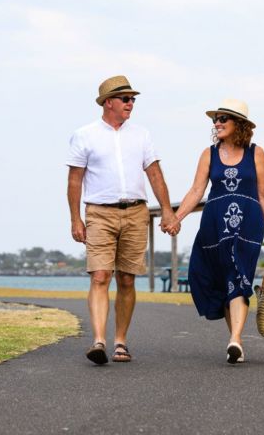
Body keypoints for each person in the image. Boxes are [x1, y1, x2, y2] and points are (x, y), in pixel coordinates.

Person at [67, 75, 178, 365]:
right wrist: (75, 219)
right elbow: (74, 180)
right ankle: (99, 340)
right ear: (108, 102)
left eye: (133, 99)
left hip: (136, 212)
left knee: (127, 279)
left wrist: (167, 210)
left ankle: (120, 342)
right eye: (126, 99)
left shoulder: (141, 134)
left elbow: (154, 173)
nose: (131, 104)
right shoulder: (84, 135)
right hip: (99, 212)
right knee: (101, 275)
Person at [163, 99, 264, 364]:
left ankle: (235, 340)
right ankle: (234, 341)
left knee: (238, 274)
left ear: (239, 123)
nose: (217, 123)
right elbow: (196, 191)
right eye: (215, 119)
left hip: (247, 225)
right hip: (214, 225)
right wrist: (176, 218)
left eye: (222, 118)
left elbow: (263, 193)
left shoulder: (256, 153)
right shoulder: (209, 153)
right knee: (223, 277)